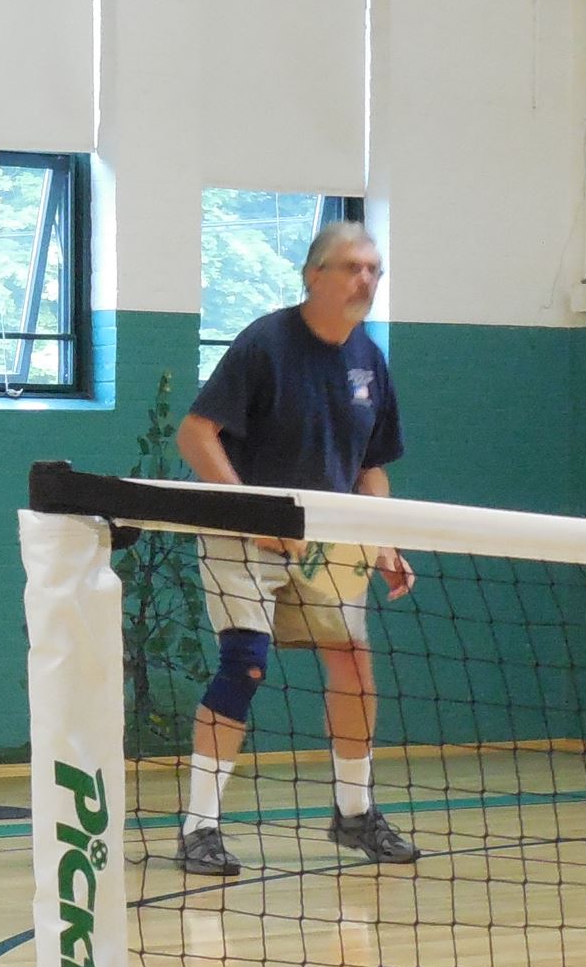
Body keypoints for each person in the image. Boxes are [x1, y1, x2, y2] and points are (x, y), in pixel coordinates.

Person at [174, 220, 419, 878]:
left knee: (354, 666)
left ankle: (355, 814)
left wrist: (382, 539)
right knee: (245, 664)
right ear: (314, 275)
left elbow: (371, 467)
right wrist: (249, 509)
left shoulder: (370, 358)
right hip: (243, 533)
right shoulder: (266, 343)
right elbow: (196, 435)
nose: (364, 279)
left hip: (325, 540)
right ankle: (200, 828)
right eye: (350, 267)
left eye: (373, 268)